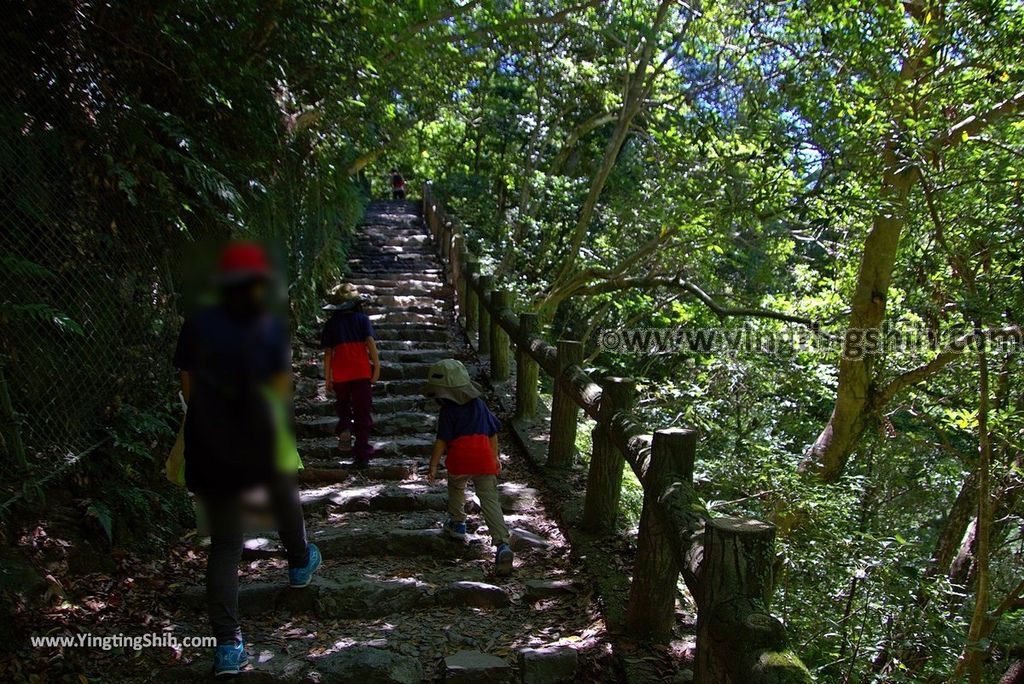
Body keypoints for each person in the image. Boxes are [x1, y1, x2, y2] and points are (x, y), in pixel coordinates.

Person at [173, 241, 321, 678]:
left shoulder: (196, 324)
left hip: (210, 440)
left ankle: (227, 647)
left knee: (224, 545)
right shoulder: (269, 326)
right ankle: (298, 563)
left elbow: (188, 386)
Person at [423, 359, 514, 576]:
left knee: (456, 487)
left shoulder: (447, 412)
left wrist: (433, 465)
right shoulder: (480, 405)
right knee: (490, 499)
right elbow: (493, 433)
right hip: (484, 459)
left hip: (460, 460)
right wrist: (495, 457)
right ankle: (502, 544)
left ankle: (457, 522)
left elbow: (442, 440)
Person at [321, 284, 379, 466]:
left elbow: (328, 353)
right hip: (361, 371)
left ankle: (345, 426)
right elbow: (370, 342)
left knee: (343, 405)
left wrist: (328, 378)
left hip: (341, 373)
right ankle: (362, 455)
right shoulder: (362, 319)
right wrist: (376, 366)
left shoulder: (331, 324)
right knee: (363, 412)